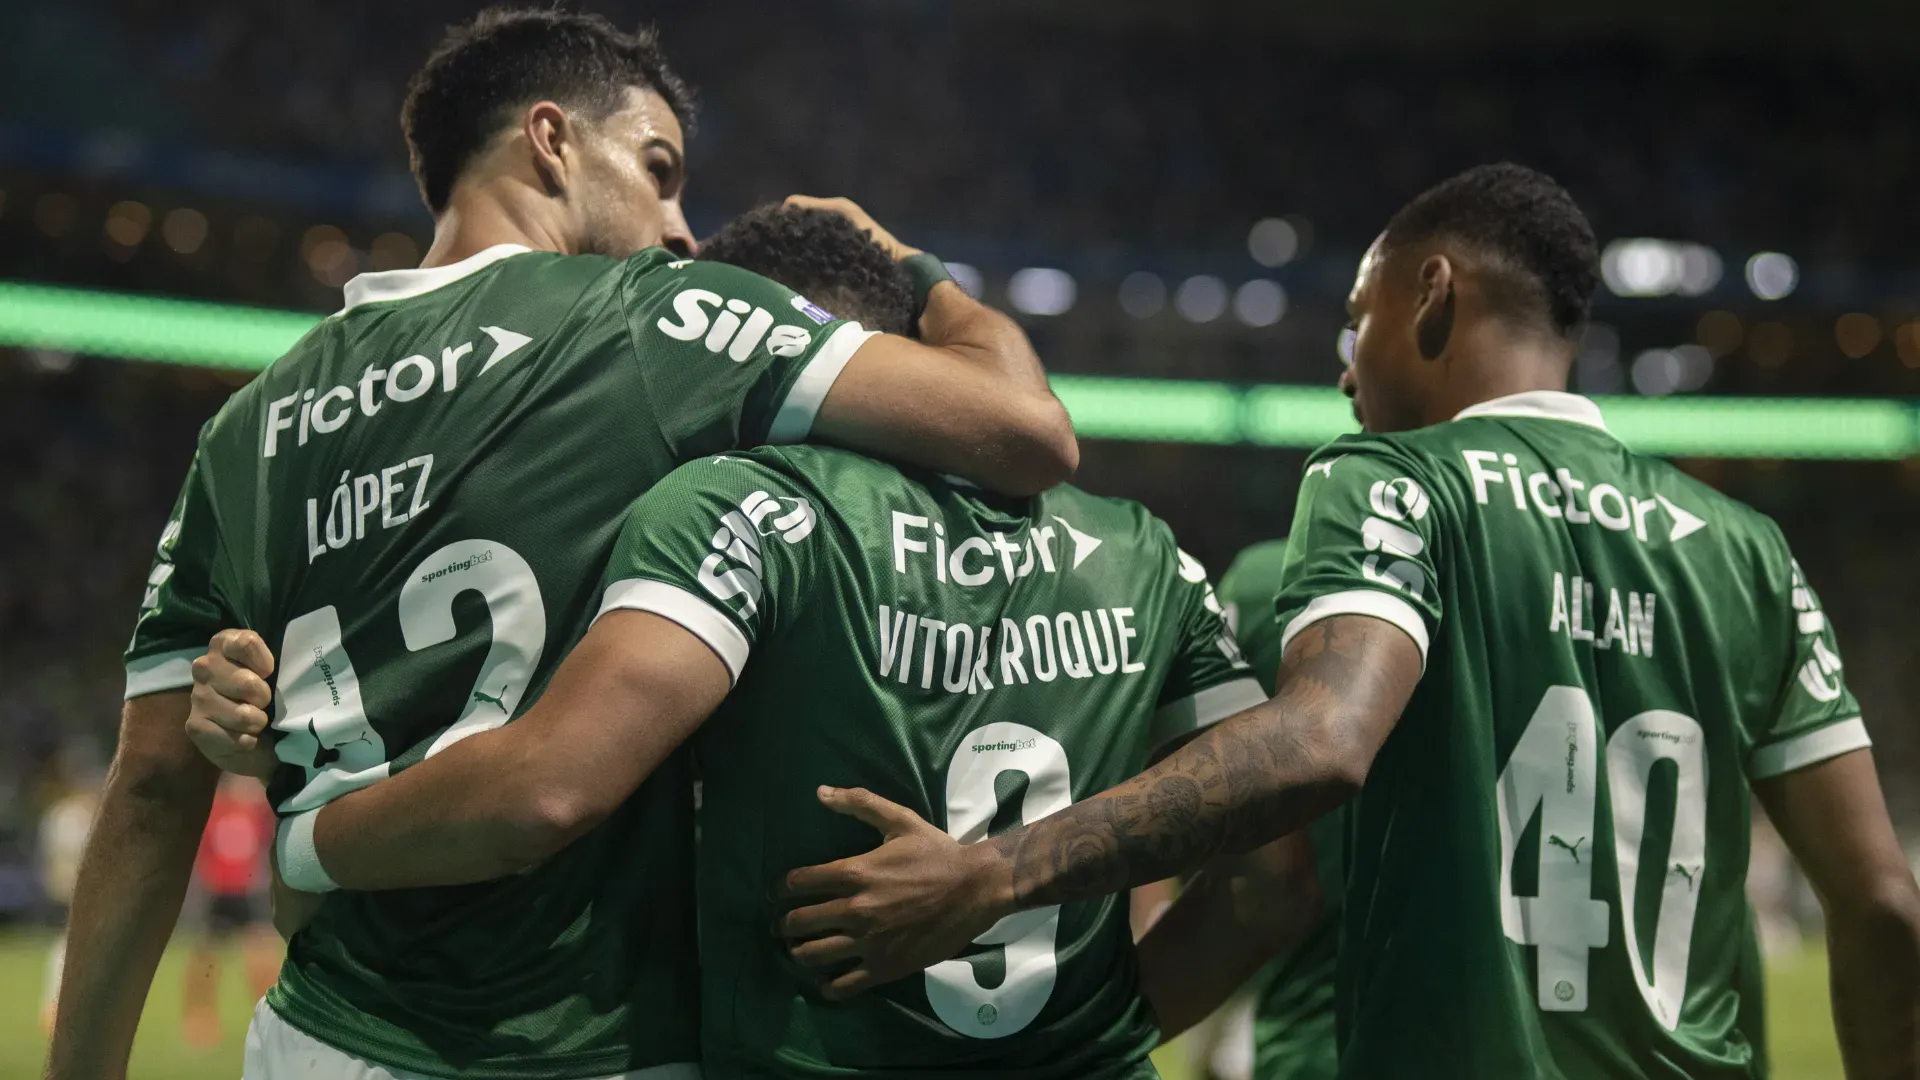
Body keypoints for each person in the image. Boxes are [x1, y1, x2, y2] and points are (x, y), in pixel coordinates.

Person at [46, 9, 1077, 1080]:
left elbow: (154, 785)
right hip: (585, 1043)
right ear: (552, 141)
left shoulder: (250, 427)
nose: (682, 229)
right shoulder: (654, 322)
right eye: (658, 170)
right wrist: (906, 263)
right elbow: (1027, 431)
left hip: (316, 1038)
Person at [770, 164, 1920, 1079]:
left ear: (1432, 293)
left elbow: (1322, 741)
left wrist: (992, 874)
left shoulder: (1394, 481)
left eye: (1357, 321)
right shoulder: (1750, 550)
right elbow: (1878, 901)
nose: (1344, 374)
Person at [184, 203, 1268, 1079]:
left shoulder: (745, 515)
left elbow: (546, 786)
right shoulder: (1146, 553)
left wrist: (305, 827)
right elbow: (1277, 875)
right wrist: (1101, 1039)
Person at [180, 774, 280, 1048]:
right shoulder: (217, 808)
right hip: (221, 892)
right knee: (207, 960)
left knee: (262, 958)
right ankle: (200, 1019)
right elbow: (204, 849)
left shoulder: (259, 810)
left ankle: (271, 1019)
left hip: (249, 891)